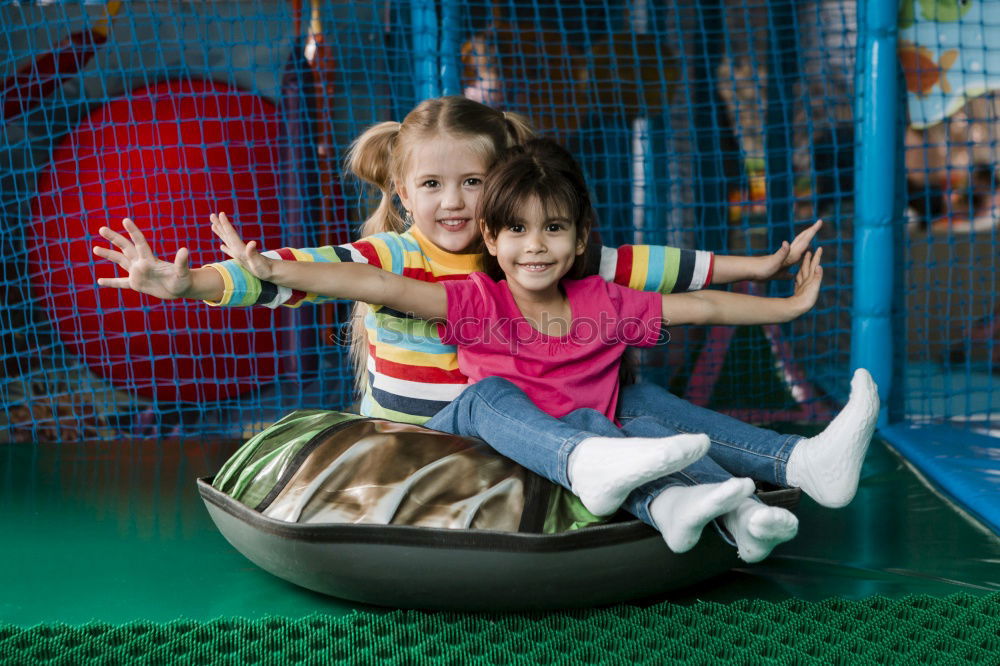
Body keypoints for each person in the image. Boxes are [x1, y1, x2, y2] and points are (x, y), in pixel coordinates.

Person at [95, 138, 878, 563]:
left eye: (472, 183)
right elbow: (344, 278)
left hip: (587, 420)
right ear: (405, 194)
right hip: (462, 431)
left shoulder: (589, 283)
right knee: (482, 397)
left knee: (641, 405)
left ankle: (786, 472)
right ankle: (625, 473)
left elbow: (686, 286)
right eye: (434, 186)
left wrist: (779, 285)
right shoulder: (441, 279)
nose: (456, 204)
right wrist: (224, 276)